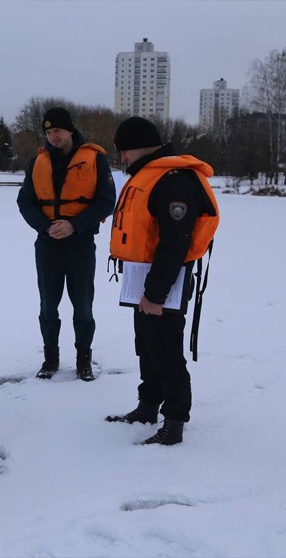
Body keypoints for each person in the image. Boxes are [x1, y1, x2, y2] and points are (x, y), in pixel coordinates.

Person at [106, 117, 218, 445]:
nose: (123, 158)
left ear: (142, 144)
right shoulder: (150, 175)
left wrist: (155, 293)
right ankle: (148, 405)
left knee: (167, 351)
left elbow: (175, 242)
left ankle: (174, 422)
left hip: (165, 282)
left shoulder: (174, 180)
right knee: (147, 346)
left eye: (124, 150)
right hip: (146, 276)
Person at [17, 107, 116, 381]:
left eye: (57, 131)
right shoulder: (37, 162)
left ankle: (84, 359)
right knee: (48, 306)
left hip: (81, 243)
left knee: (83, 306)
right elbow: (25, 201)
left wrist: (74, 225)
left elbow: (107, 201)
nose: (52, 137)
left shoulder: (95, 159)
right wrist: (46, 226)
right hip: (48, 243)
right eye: (48, 132)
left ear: (70, 130)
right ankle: (50, 358)